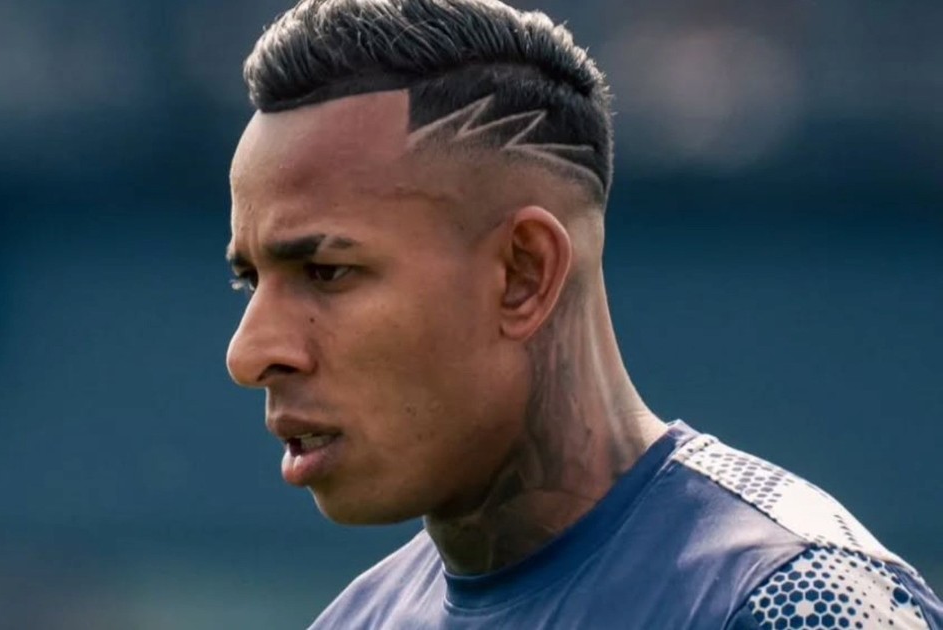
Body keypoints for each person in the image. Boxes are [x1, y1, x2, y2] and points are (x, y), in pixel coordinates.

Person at [222, 0, 943, 627]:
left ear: (524, 274)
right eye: (248, 281)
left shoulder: (799, 601)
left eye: (326, 272)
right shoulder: (356, 620)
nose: (249, 354)